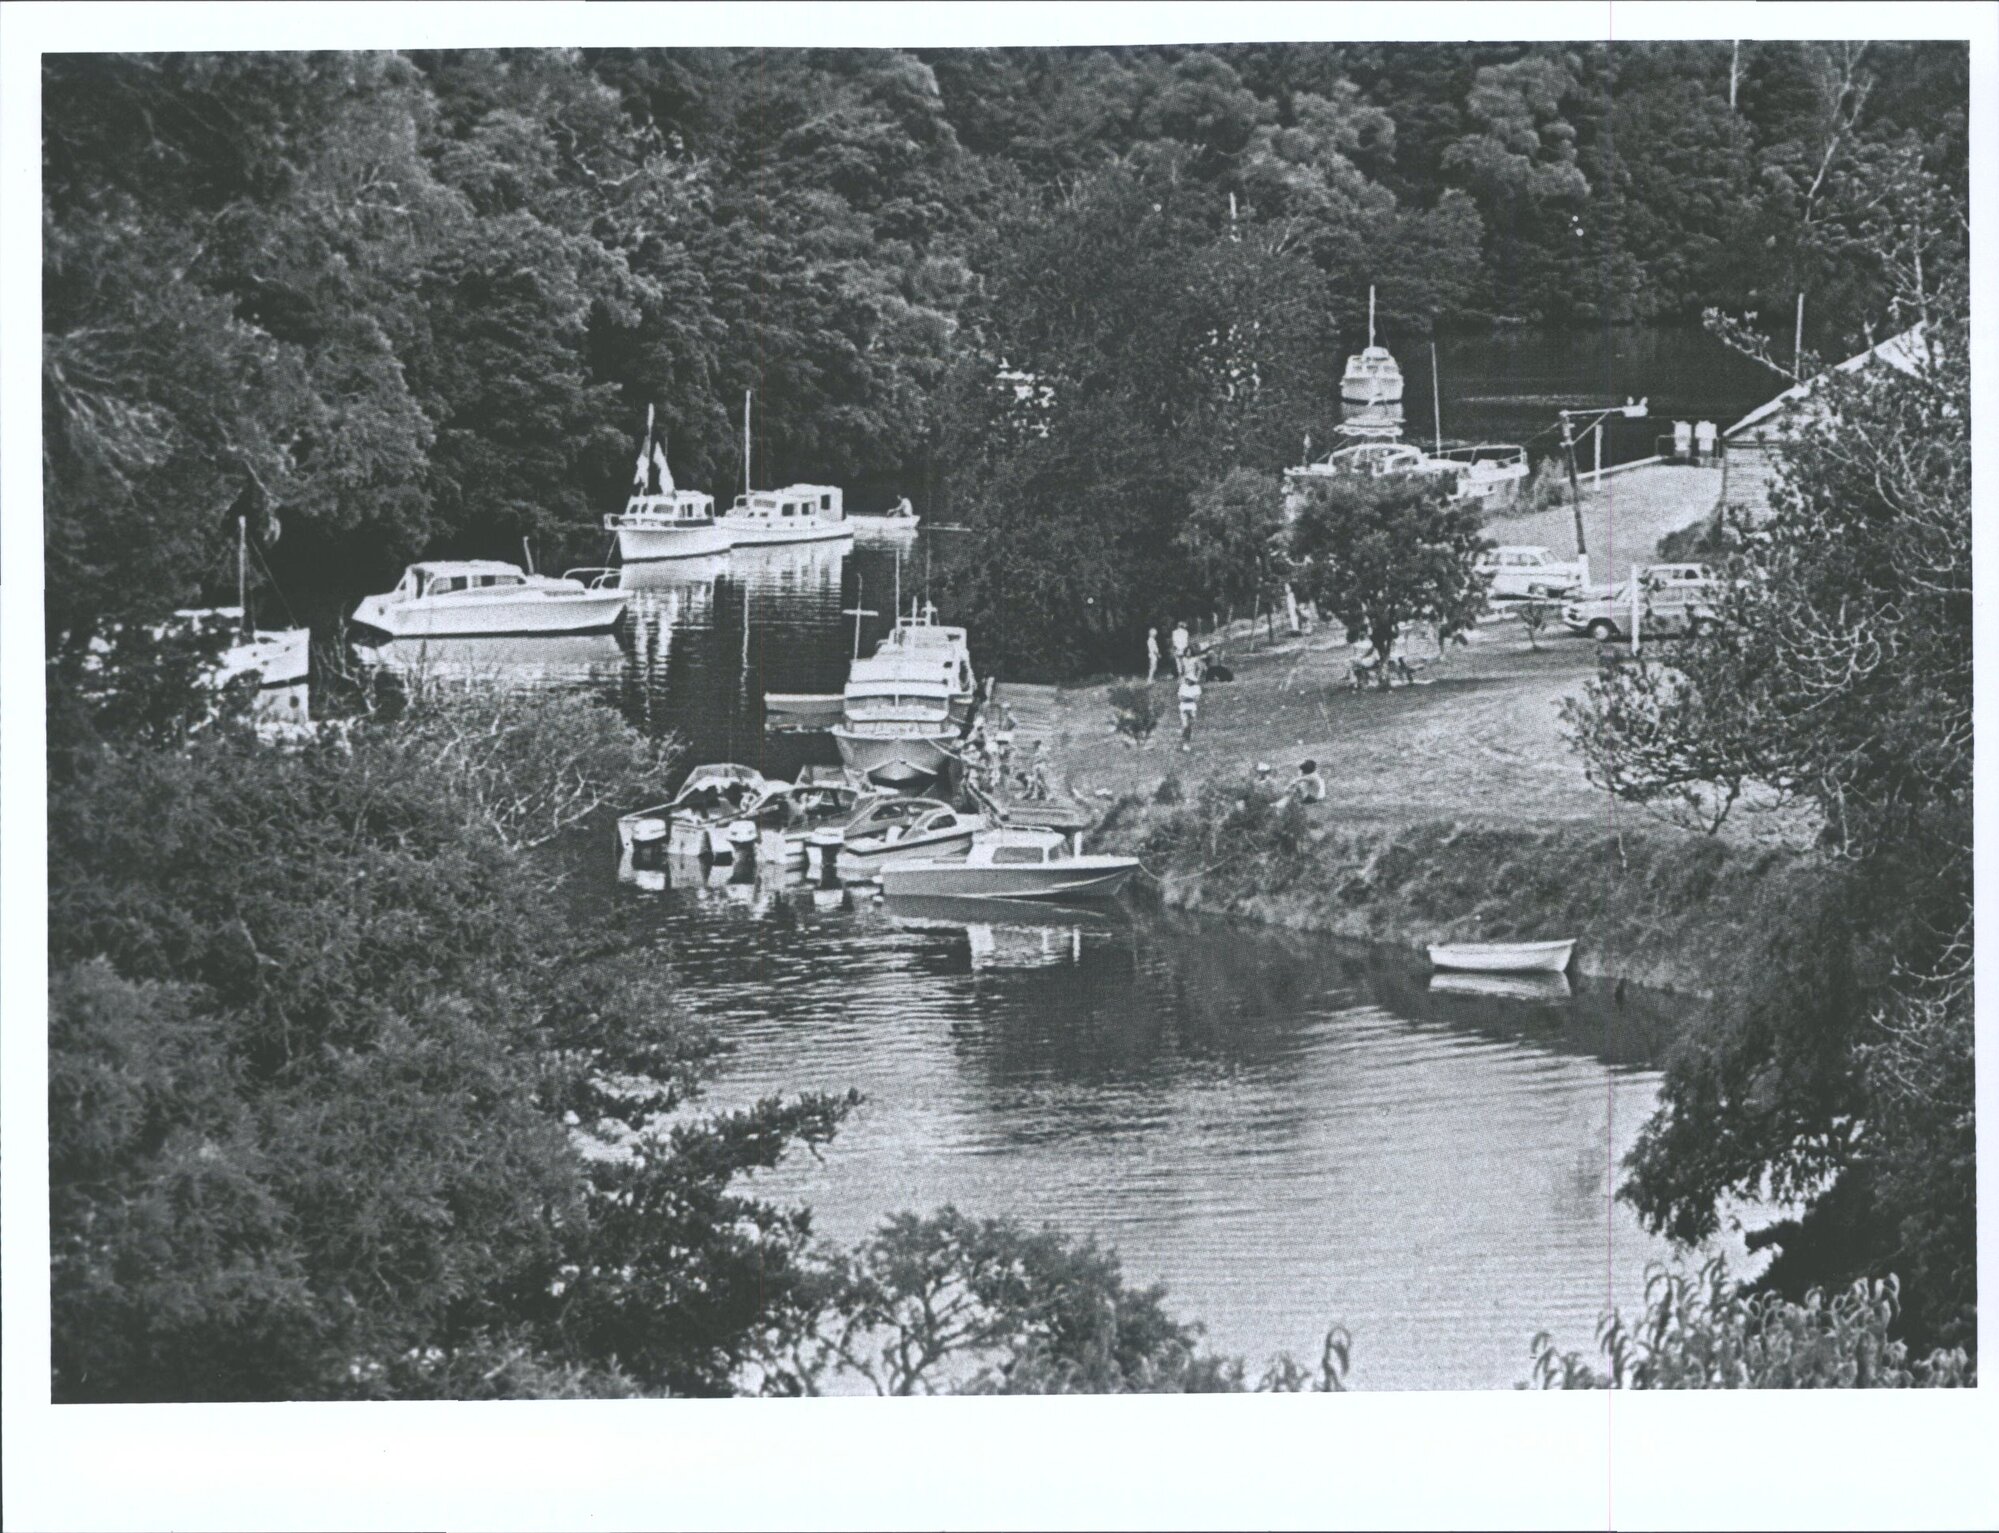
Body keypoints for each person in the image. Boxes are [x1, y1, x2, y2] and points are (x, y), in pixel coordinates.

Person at [1177, 668, 1202, 750]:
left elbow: (1196, 699)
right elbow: (1181, 698)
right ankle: (1185, 743)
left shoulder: (1197, 687)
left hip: (1192, 708)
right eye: (1187, 679)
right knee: (1185, 725)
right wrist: (1190, 698)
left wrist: (1187, 698)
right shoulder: (1182, 686)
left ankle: (1186, 742)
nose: (1188, 681)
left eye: (1190, 680)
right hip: (1184, 708)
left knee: (1189, 727)